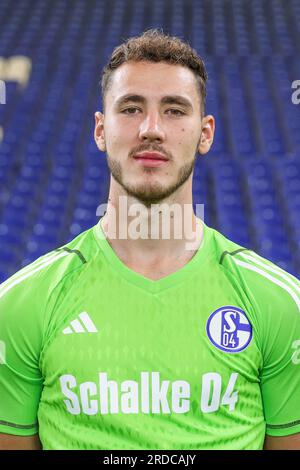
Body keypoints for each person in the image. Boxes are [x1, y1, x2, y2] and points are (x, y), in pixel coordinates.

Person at [0, 29, 299, 451]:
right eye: (131, 108)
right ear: (101, 130)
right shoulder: (21, 305)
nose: (152, 128)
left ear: (205, 133)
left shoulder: (280, 304)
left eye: (175, 110)